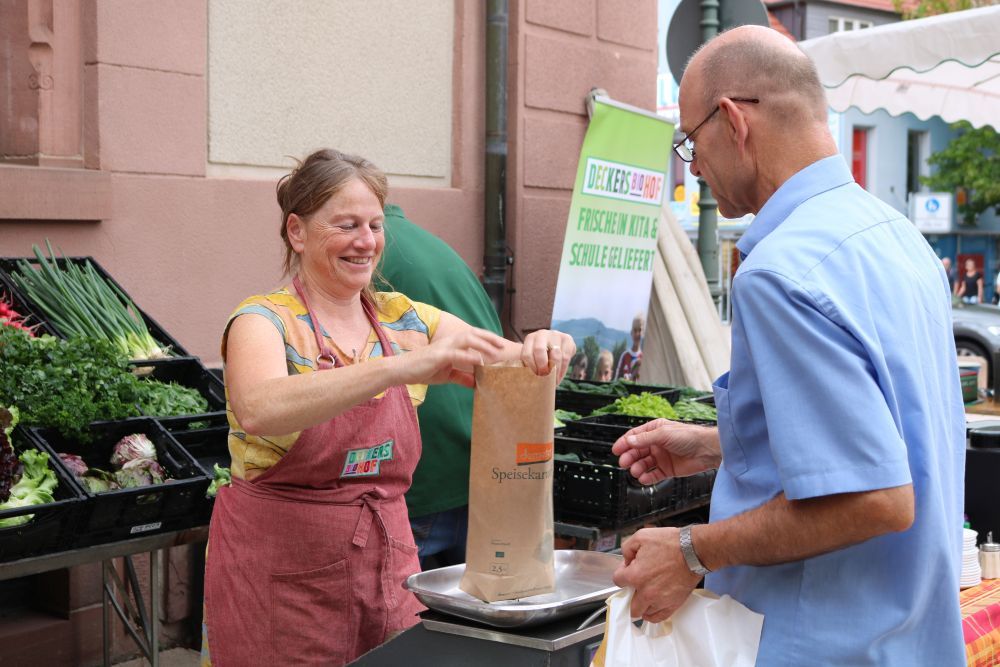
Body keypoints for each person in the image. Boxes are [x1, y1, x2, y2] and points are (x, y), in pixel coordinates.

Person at [611, 26, 964, 666]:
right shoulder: (897, 237)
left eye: (690, 143)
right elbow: (888, 435)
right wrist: (722, 444)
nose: (695, 167)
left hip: (820, 644)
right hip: (910, 639)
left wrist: (692, 550)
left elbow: (873, 497)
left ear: (732, 121)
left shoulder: (781, 271)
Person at [203, 148, 574, 666]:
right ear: (297, 232)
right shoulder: (262, 321)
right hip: (280, 576)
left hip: (387, 565)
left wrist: (547, 350)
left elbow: (516, 367)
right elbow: (259, 408)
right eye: (347, 225)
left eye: (375, 225)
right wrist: (400, 367)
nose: (366, 241)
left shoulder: (405, 319)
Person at [374, 203, 503, 569]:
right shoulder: (430, 244)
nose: (364, 238)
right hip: (475, 457)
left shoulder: (374, 254)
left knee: (412, 616)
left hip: (429, 471)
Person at [614, 313, 644, 381]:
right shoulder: (624, 356)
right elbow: (616, 380)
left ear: (643, 333)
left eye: (640, 330)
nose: (637, 334)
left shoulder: (644, 359)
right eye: (635, 330)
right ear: (631, 332)